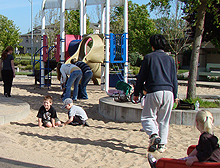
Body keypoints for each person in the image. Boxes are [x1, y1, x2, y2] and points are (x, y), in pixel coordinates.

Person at [133, 34, 178, 153]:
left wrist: (136, 92)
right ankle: (162, 144)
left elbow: (141, 77)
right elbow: (174, 79)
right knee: (164, 120)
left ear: (152, 45)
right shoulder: (170, 59)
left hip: (154, 91)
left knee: (147, 117)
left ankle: (154, 135)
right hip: (169, 92)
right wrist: (176, 96)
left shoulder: (149, 57)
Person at [148, 110, 220, 168]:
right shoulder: (210, 136)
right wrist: (189, 157)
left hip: (209, 164)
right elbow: (199, 148)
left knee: (178, 163)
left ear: (197, 123)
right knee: (183, 160)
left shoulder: (204, 137)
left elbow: (207, 153)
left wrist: (194, 159)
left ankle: (157, 164)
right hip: (214, 162)